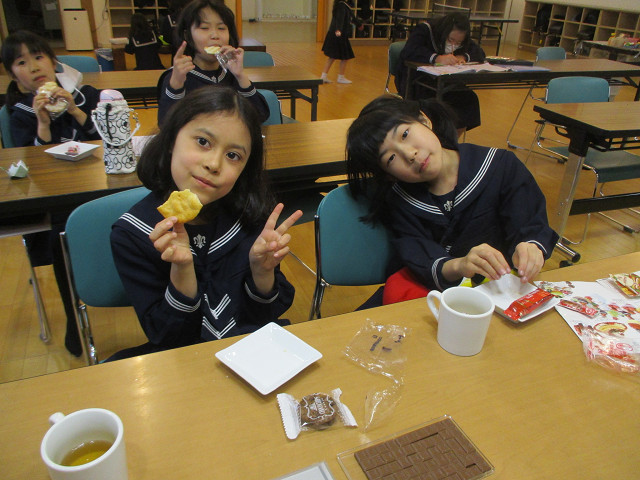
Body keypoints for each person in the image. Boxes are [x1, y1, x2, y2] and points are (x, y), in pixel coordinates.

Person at [110, 86, 302, 359]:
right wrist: (182, 270)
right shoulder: (133, 233)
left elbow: (264, 318)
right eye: (203, 142)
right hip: (182, 359)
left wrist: (262, 273)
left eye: (233, 155)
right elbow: (166, 337)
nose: (214, 164)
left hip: (250, 354)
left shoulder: (250, 217)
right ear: (171, 140)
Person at [346, 95, 559, 305]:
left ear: (424, 120)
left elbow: (531, 225)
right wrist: (460, 265)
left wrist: (531, 248)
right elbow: (421, 258)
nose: (409, 154)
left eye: (405, 134)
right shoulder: (400, 202)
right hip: (430, 301)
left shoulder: (500, 166)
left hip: (500, 296)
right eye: (391, 158)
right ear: (388, 175)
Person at [1, 30, 103, 357]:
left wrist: (74, 110)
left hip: (95, 181)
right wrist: (42, 125)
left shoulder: (83, 94)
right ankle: (74, 318)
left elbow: (104, 137)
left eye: (38, 57)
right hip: (56, 195)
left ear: (53, 60)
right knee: (62, 231)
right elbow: (26, 165)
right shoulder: (18, 112)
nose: (33, 67)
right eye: (21, 62)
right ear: (11, 74)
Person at [158, 0, 268, 125]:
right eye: (204, 28)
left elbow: (260, 116)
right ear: (187, 35)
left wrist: (240, 76)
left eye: (221, 28)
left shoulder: (231, 73)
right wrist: (176, 84)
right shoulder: (178, 76)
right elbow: (166, 124)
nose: (215, 35)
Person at [395, 12, 486, 134]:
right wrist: (436, 58)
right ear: (445, 32)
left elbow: (479, 52)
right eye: (450, 40)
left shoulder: (463, 39)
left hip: (444, 83)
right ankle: (433, 139)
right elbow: (409, 51)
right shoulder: (425, 30)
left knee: (469, 99)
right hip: (416, 82)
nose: (453, 45)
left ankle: (452, 141)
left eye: (458, 43)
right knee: (436, 105)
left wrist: (463, 56)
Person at [320, 0, 362, 84]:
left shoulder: (343, 5)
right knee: (344, 57)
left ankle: (324, 76)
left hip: (337, 34)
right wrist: (338, 30)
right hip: (339, 35)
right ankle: (340, 77)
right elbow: (340, 19)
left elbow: (351, 17)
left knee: (333, 57)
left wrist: (358, 24)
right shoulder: (341, 6)